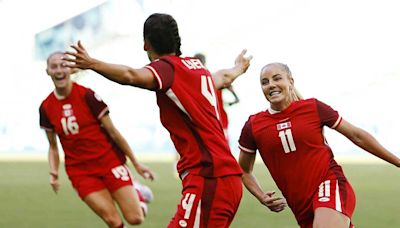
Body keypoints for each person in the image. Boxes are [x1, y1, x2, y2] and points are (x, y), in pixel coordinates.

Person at [63, 13, 252, 228]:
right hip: (224, 178)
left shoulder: (166, 68)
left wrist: (91, 63)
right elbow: (223, 77)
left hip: (209, 178)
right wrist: (239, 68)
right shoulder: (196, 68)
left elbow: (130, 76)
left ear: (145, 44)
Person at [238, 62, 400, 228]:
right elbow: (243, 169)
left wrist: (398, 162)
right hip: (300, 204)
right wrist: (261, 196)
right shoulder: (254, 125)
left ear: (291, 82)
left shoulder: (313, 108)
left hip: (329, 185)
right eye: (265, 82)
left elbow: (357, 136)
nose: (271, 85)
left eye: (277, 78)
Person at [39, 51, 156, 228]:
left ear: (71, 69)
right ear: (47, 71)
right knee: (113, 221)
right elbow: (53, 146)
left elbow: (113, 133)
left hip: (109, 163)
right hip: (81, 172)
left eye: (63, 65)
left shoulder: (88, 96)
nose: (59, 70)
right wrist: (54, 172)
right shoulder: (46, 107)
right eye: (54, 66)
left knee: (135, 219)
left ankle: (137, 191)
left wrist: (137, 164)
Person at [194, 53, 240, 141]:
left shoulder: (194, 80)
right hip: (212, 119)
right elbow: (237, 99)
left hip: (211, 119)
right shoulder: (215, 78)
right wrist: (229, 103)